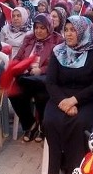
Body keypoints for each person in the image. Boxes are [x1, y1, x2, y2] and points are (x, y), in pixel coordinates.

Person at [43, 16, 93, 174]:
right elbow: (50, 82)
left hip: (88, 98)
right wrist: (63, 102)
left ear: (84, 32)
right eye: (66, 30)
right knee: (51, 120)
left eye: (73, 30)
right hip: (60, 97)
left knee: (79, 121)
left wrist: (74, 100)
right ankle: (60, 163)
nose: (69, 34)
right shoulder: (59, 51)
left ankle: (76, 166)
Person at [9, 13, 63, 143]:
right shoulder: (29, 39)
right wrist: (19, 66)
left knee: (41, 96)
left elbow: (58, 64)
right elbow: (18, 57)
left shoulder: (57, 40)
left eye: (42, 28)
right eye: (36, 27)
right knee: (13, 94)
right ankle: (30, 124)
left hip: (45, 78)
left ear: (49, 28)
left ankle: (43, 127)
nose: (38, 31)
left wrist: (41, 70)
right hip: (27, 77)